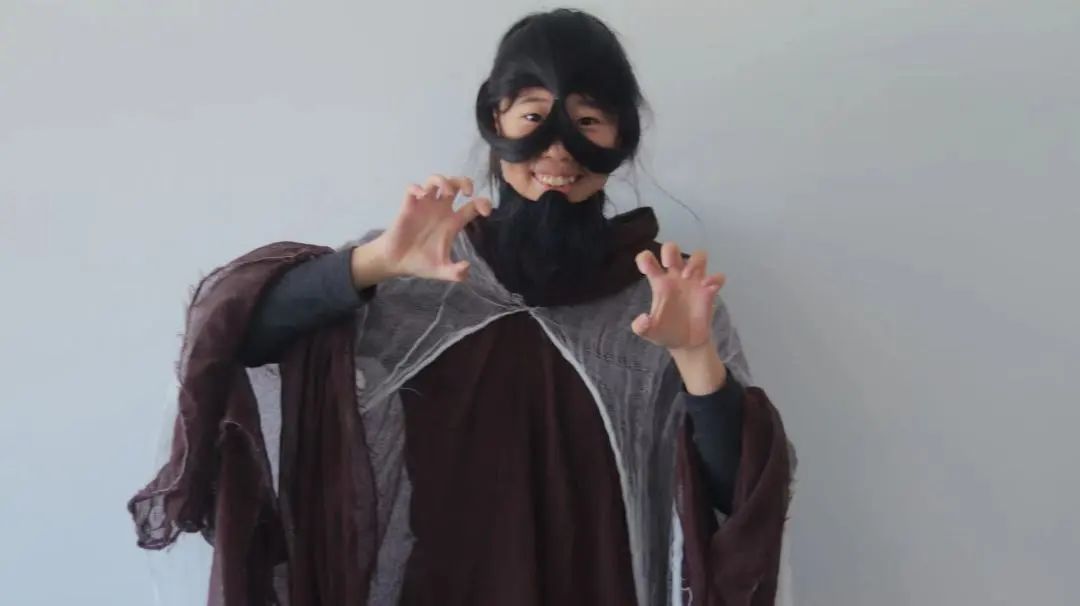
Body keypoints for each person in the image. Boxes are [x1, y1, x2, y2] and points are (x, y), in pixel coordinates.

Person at [129, 9, 793, 606]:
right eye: (534, 116)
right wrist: (373, 264)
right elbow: (234, 337)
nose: (559, 149)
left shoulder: (663, 291)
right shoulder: (421, 266)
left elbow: (741, 498)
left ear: (623, 135)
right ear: (495, 119)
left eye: (588, 121)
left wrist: (695, 357)